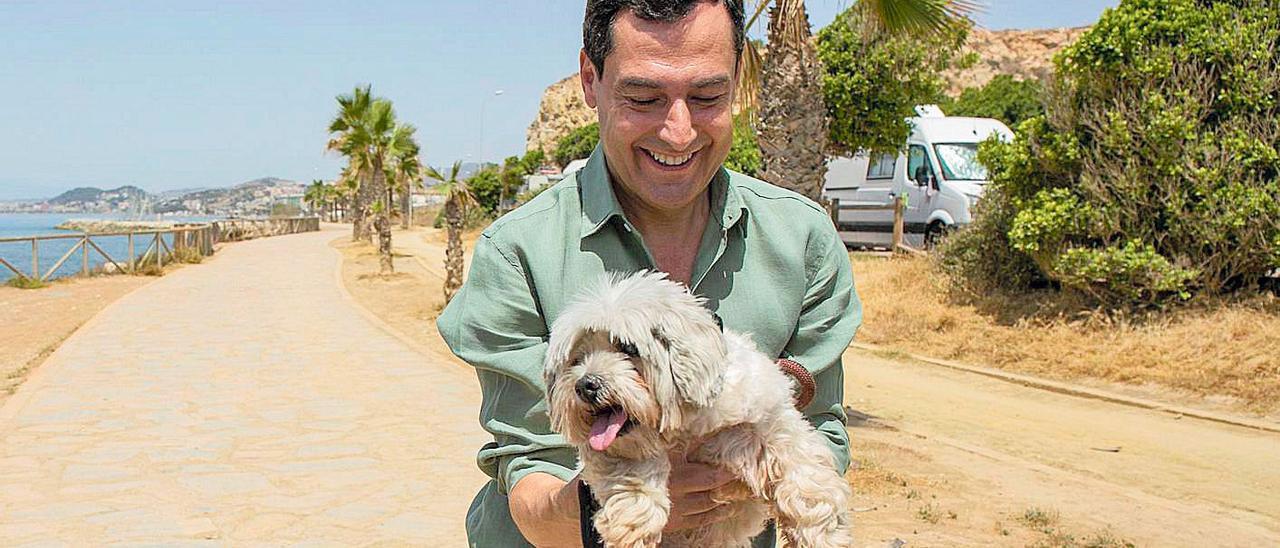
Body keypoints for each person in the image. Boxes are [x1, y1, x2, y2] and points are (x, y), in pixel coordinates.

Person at [436, 0, 861, 545]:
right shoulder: (517, 252)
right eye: (643, 98)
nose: (678, 132)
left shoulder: (802, 239)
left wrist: (763, 459)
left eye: (707, 97)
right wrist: (616, 494)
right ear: (591, 80)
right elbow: (529, 485)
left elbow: (820, 431)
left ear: (738, 80)